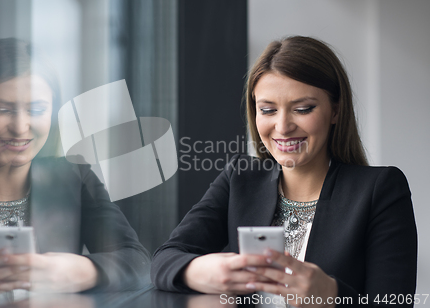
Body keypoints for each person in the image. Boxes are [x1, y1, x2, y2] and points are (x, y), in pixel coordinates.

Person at [151, 36, 417, 307]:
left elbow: (395, 302)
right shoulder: (239, 178)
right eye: (267, 110)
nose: (283, 126)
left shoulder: (381, 189)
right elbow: (165, 258)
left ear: (335, 110)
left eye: (303, 109)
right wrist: (202, 271)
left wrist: (334, 296)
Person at [0, 38, 150, 305]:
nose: (20, 126)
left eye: (37, 109)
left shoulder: (72, 176)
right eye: (0, 109)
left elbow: (138, 261)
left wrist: (79, 271)